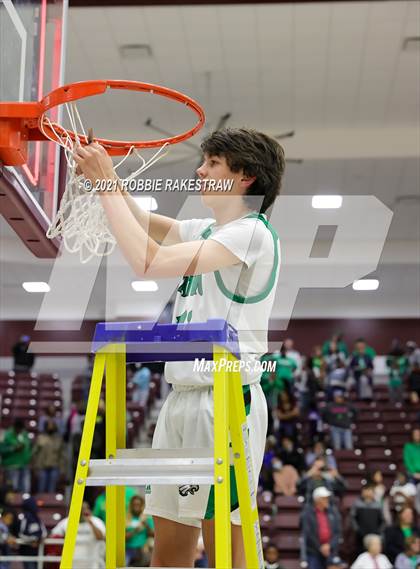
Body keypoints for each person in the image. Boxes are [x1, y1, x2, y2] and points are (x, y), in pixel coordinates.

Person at [73, 126, 286, 568]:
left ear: (244, 176)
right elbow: (141, 222)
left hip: (226, 399)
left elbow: (148, 261)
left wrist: (108, 181)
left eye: (212, 164)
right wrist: (103, 181)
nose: (199, 169)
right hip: (182, 398)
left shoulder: (252, 233)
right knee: (168, 547)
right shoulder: (208, 228)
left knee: (228, 546)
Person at [51, 501, 105, 569]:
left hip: (93, 564)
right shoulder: (67, 522)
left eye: (85, 509)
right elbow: (53, 536)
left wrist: (90, 523)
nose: (83, 511)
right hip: (73, 564)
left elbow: (101, 537)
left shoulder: (96, 521)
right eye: (81, 509)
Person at [300, 486, 342, 569]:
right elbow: (308, 533)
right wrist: (320, 547)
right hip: (313, 551)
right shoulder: (307, 514)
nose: (327, 500)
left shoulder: (333, 512)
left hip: (331, 550)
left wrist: (329, 545)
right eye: (324, 498)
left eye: (327, 498)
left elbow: (338, 532)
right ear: (317, 500)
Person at [32, 420, 67, 493]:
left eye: (52, 426)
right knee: (41, 488)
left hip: (54, 467)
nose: (50, 428)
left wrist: (62, 470)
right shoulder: (40, 438)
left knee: (52, 489)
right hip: (42, 467)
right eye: (49, 426)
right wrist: (34, 467)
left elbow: (62, 456)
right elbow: (34, 453)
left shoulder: (59, 439)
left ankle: (50, 503)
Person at [350, 484, 385, 553]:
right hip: (360, 536)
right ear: (362, 492)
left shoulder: (378, 505)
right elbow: (352, 518)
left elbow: (383, 520)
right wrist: (358, 530)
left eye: (370, 490)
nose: (368, 492)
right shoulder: (357, 504)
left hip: (375, 535)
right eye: (366, 490)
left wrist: (378, 531)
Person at [0, 419, 32, 493]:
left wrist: (29, 459)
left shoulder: (24, 434)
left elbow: (28, 448)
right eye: (18, 429)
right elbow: (1, 449)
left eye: (21, 429)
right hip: (11, 466)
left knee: (25, 490)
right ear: (15, 427)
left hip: (24, 465)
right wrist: (13, 449)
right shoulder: (6, 435)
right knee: (13, 490)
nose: (20, 430)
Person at [18, 497, 47, 569]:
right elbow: (21, 534)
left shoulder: (37, 518)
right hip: (27, 551)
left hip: (37, 551)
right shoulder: (24, 517)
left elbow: (44, 532)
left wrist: (40, 538)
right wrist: (33, 540)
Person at [125, 495, 154, 567]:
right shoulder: (126, 519)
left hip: (142, 549)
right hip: (128, 550)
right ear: (131, 505)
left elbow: (153, 534)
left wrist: (146, 525)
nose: (136, 506)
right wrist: (135, 530)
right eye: (134, 504)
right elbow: (124, 537)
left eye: (138, 504)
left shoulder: (146, 518)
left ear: (142, 505)